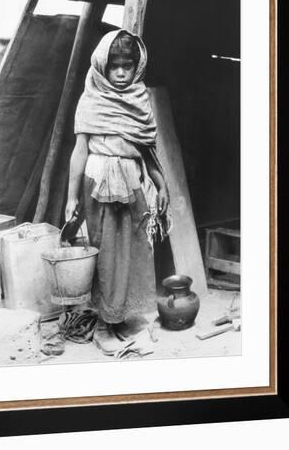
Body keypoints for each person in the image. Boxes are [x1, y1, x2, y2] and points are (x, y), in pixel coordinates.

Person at [65, 28, 171, 355]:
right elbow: (79, 152)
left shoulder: (139, 100)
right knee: (106, 253)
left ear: (137, 66)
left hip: (131, 182)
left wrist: (161, 183)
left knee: (136, 250)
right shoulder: (92, 99)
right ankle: (103, 323)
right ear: (102, 65)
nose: (122, 71)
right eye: (115, 66)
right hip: (99, 185)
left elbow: (145, 151)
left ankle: (122, 316)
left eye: (128, 64)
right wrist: (71, 197)